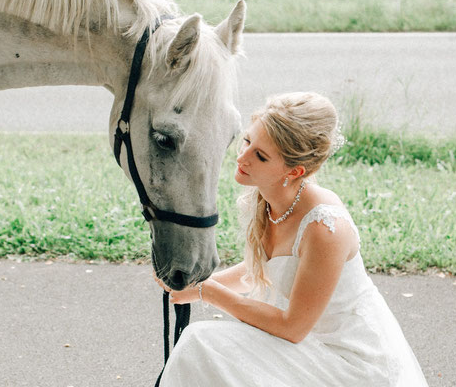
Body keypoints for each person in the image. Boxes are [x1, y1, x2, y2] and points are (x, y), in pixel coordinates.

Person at [154, 92, 428, 386]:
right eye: (247, 141)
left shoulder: (325, 228)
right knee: (203, 349)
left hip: (347, 362)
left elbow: (293, 327)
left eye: (260, 156)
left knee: (200, 343)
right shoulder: (264, 198)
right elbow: (260, 270)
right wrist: (192, 284)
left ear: (294, 171)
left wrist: (207, 293)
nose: (242, 157)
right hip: (303, 346)